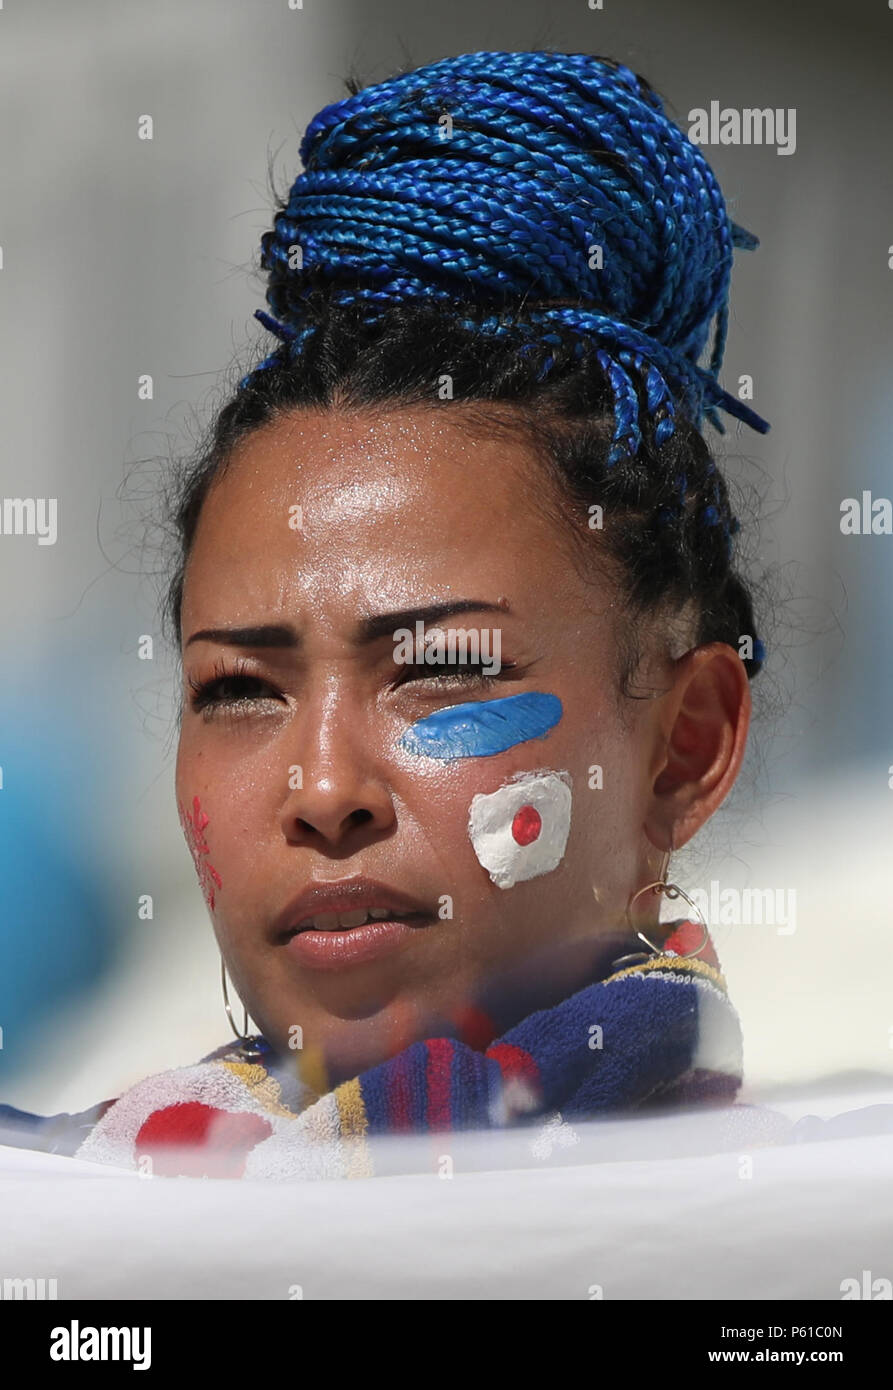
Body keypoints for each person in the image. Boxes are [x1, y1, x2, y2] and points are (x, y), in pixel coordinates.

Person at [0, 49, 778, 1179]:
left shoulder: (796, 1243)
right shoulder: (92, 1207)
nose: (322, 791)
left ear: (682, 746)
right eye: (237, 688)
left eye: (443, 669)